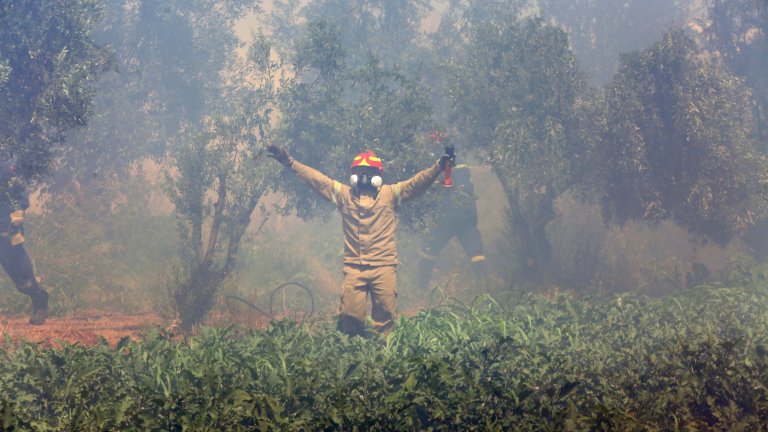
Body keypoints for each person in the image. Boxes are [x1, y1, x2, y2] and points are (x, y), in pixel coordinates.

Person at [267, 144, 452, 337]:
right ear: (353, 174)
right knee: (351, 317)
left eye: (370, 172)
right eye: (360, 172)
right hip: (354, 268)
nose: (364, 177)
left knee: (386, 319)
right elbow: (318, 180)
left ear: (378, 175)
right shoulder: (344, 195)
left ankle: (384, 358)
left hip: (384, 266)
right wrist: (290, 163)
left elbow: (417, 183)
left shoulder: (390, 194)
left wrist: (438, 166)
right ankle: (354, 354)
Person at [417, 161, 488, 290]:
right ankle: (488, 291)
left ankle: (421, 287)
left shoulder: (446, 166)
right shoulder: (462, 167)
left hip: (448, 220)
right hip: (466, 219)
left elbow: (443, 187)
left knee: (428, 250)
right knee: (476, 254)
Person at [0, 159, 49, 325]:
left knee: (24, 281)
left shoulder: (7, 166)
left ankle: (40, 302)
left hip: (7, 232)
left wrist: (18, 213)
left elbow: (21, 197)